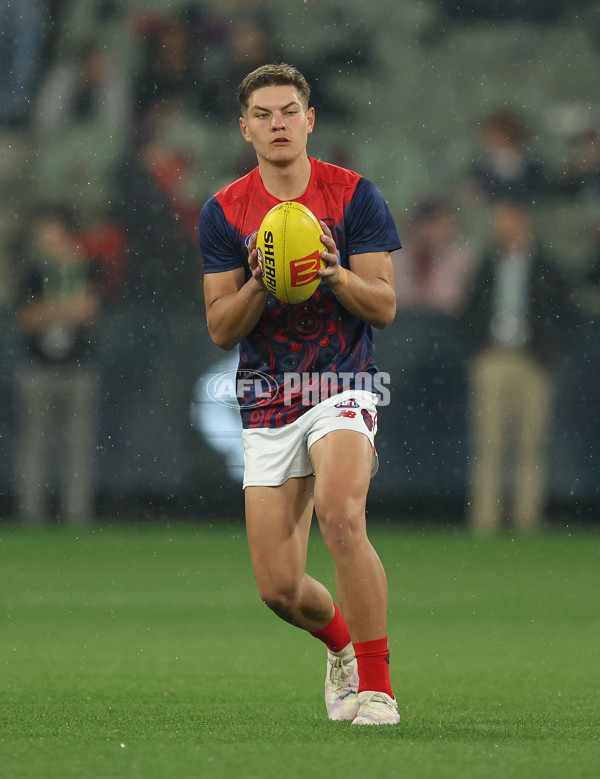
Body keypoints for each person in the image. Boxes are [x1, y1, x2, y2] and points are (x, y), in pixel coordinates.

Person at [198, 63, 401, 725]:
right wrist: (260, 280)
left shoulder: (355, 196)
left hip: (342, 382)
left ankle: (377, 688)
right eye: (264, 113)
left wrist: (334, 270)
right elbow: (222, 325)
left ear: (310, 120)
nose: (278, 122)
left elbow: (385, 305)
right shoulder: (225, 211)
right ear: (246, 127)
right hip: (268, 395)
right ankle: (340, 648)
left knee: (340, 517)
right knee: (279, 588)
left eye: (289, 111)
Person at [459, 199, 577, 534]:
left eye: (505, 219)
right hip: (493, 358)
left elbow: (566, 315)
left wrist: (550, 352)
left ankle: (527, 519)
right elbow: (467, 311)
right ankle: (485, 520)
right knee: (489, 444)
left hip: (532, 362)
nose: (499, 226)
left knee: (529, 444)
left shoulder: (545, 267)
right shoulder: (487, 265)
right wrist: (477, 349)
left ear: (522, 222)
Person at [13, 205, 104, 527]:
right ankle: (31, 513)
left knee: (78, 444)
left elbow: (91, 311)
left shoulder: (86, 267)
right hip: (37, 368)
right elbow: (25, 319)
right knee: (34, 443)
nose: (47, 241)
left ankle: (76, 514)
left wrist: (47, 311)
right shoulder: (34, 272)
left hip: (78, 367)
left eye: (52, 233)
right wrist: (67, 307)